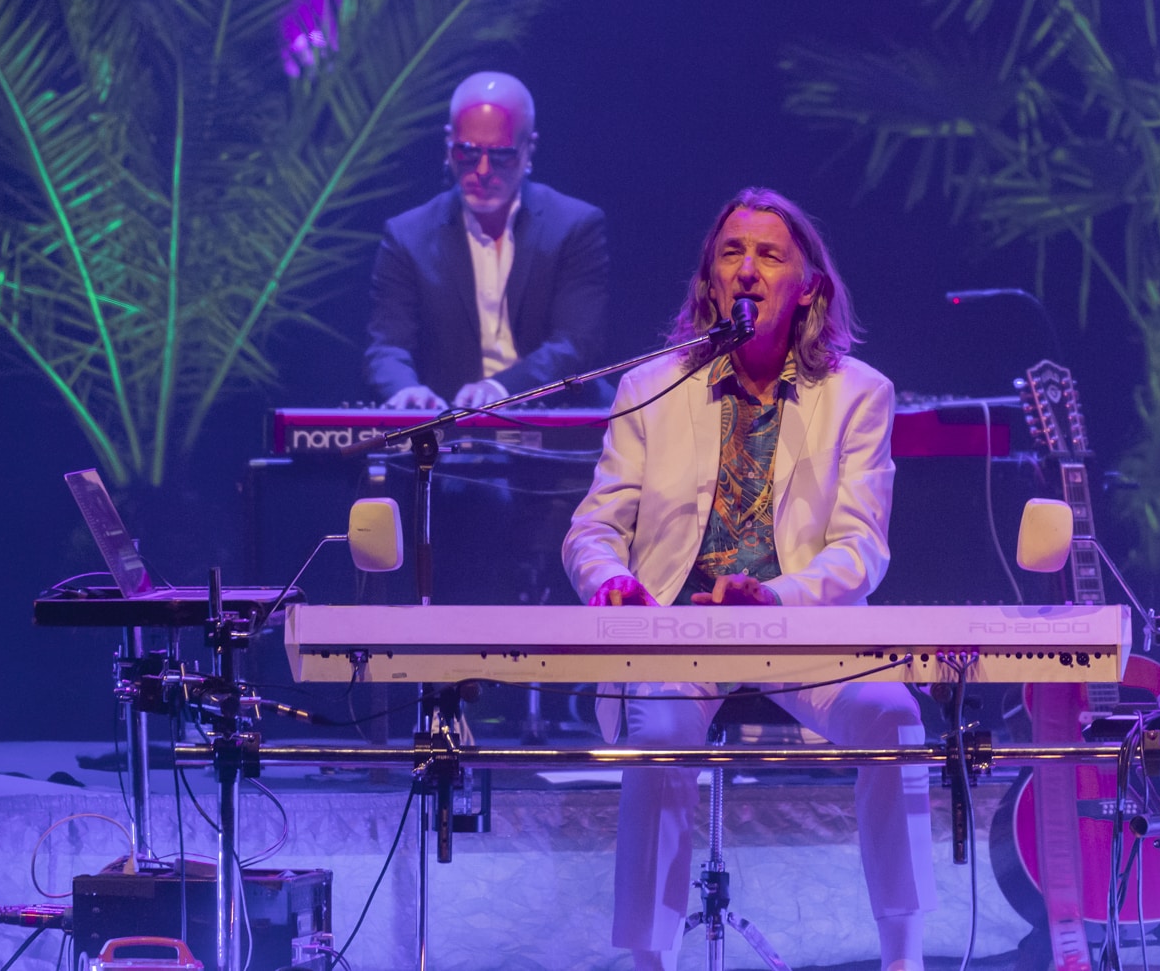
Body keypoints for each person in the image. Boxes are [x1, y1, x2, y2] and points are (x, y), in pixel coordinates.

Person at [562, 188, 935, 971]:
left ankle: (905, 957)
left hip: (803, 632)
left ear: (810, 286)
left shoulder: (860, 395)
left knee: (895, 719)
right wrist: (610, 584)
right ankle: (649, 961)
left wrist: (776, 595)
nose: (748, 269)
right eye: (731, 253)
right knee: (660, 737)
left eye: (770, 254)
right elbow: (594, 529)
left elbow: (862, 547)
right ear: (708, 284)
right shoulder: (650, 389)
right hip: (677, 633)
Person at [365, 71, 608, 409]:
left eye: (501, 155)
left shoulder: (574, 226)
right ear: (448, 144)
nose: (481, 170)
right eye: (466, 152)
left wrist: (501, 388)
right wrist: (405, 390)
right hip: (452, 424)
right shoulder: (407, 236)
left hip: (556, 418)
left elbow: (576, 342)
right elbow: (389, 347)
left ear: (529, 149)